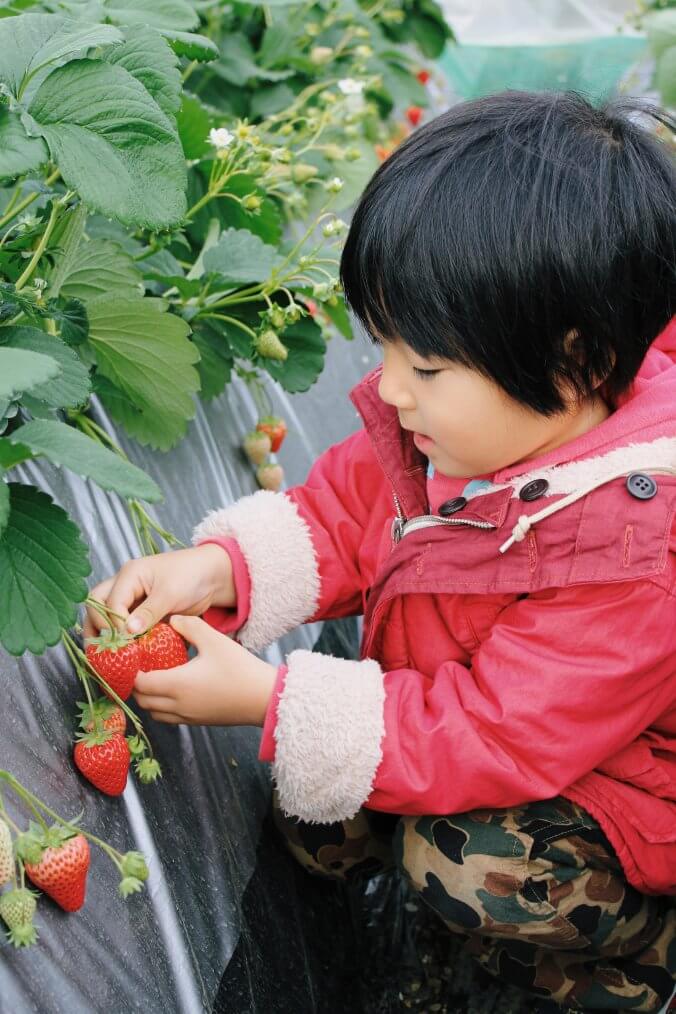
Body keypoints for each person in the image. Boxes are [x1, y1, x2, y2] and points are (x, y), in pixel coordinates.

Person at [84, 91, 676, 1013]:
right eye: (385, 345)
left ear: (579, 363)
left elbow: (496, 731)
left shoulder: (639, 555)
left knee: (464, 865)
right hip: (475, 708)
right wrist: (222, 569)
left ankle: (639, 964)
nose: (389, 387)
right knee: (314, 813)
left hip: (625, 802)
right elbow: (346, 511)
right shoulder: (470, 426)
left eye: (427, 366)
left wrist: (269, 699)